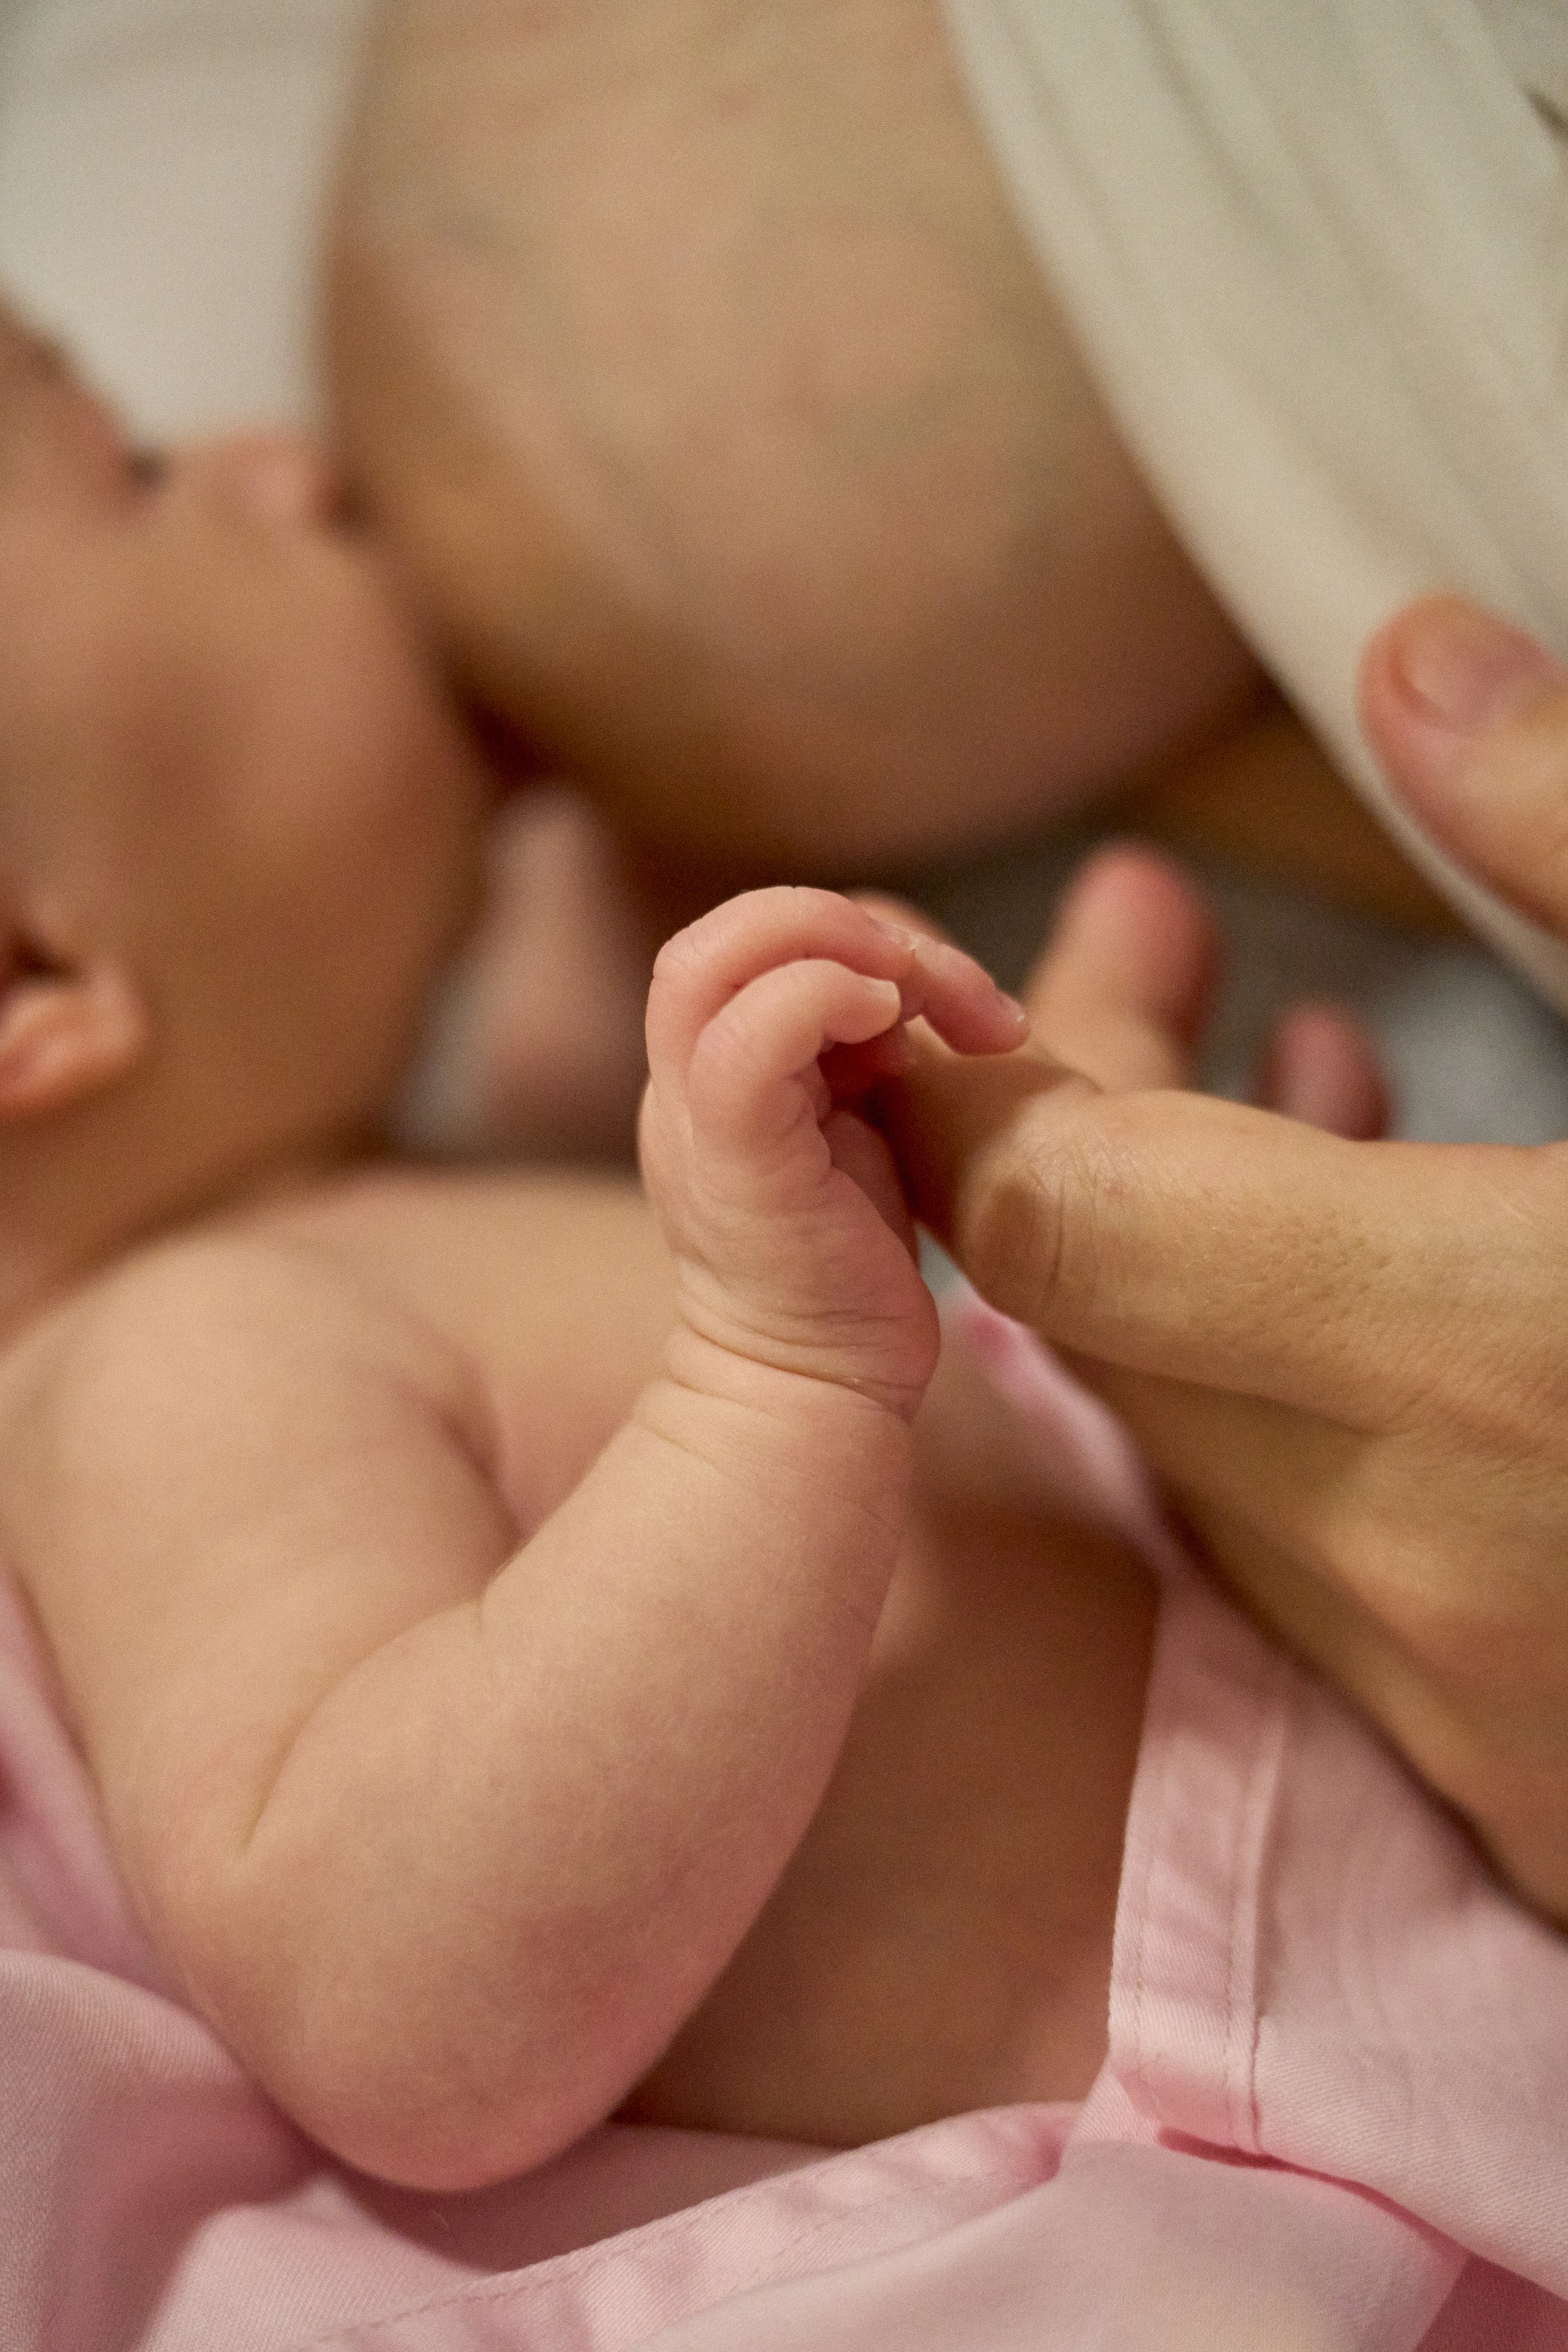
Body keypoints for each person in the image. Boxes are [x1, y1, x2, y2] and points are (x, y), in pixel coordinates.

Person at [328, 0, 1568, 1921]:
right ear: (35, 979)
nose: (259, 458)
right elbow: (388, 1944)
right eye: (120, 476)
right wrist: (780, 1374)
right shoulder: (157, 1362)